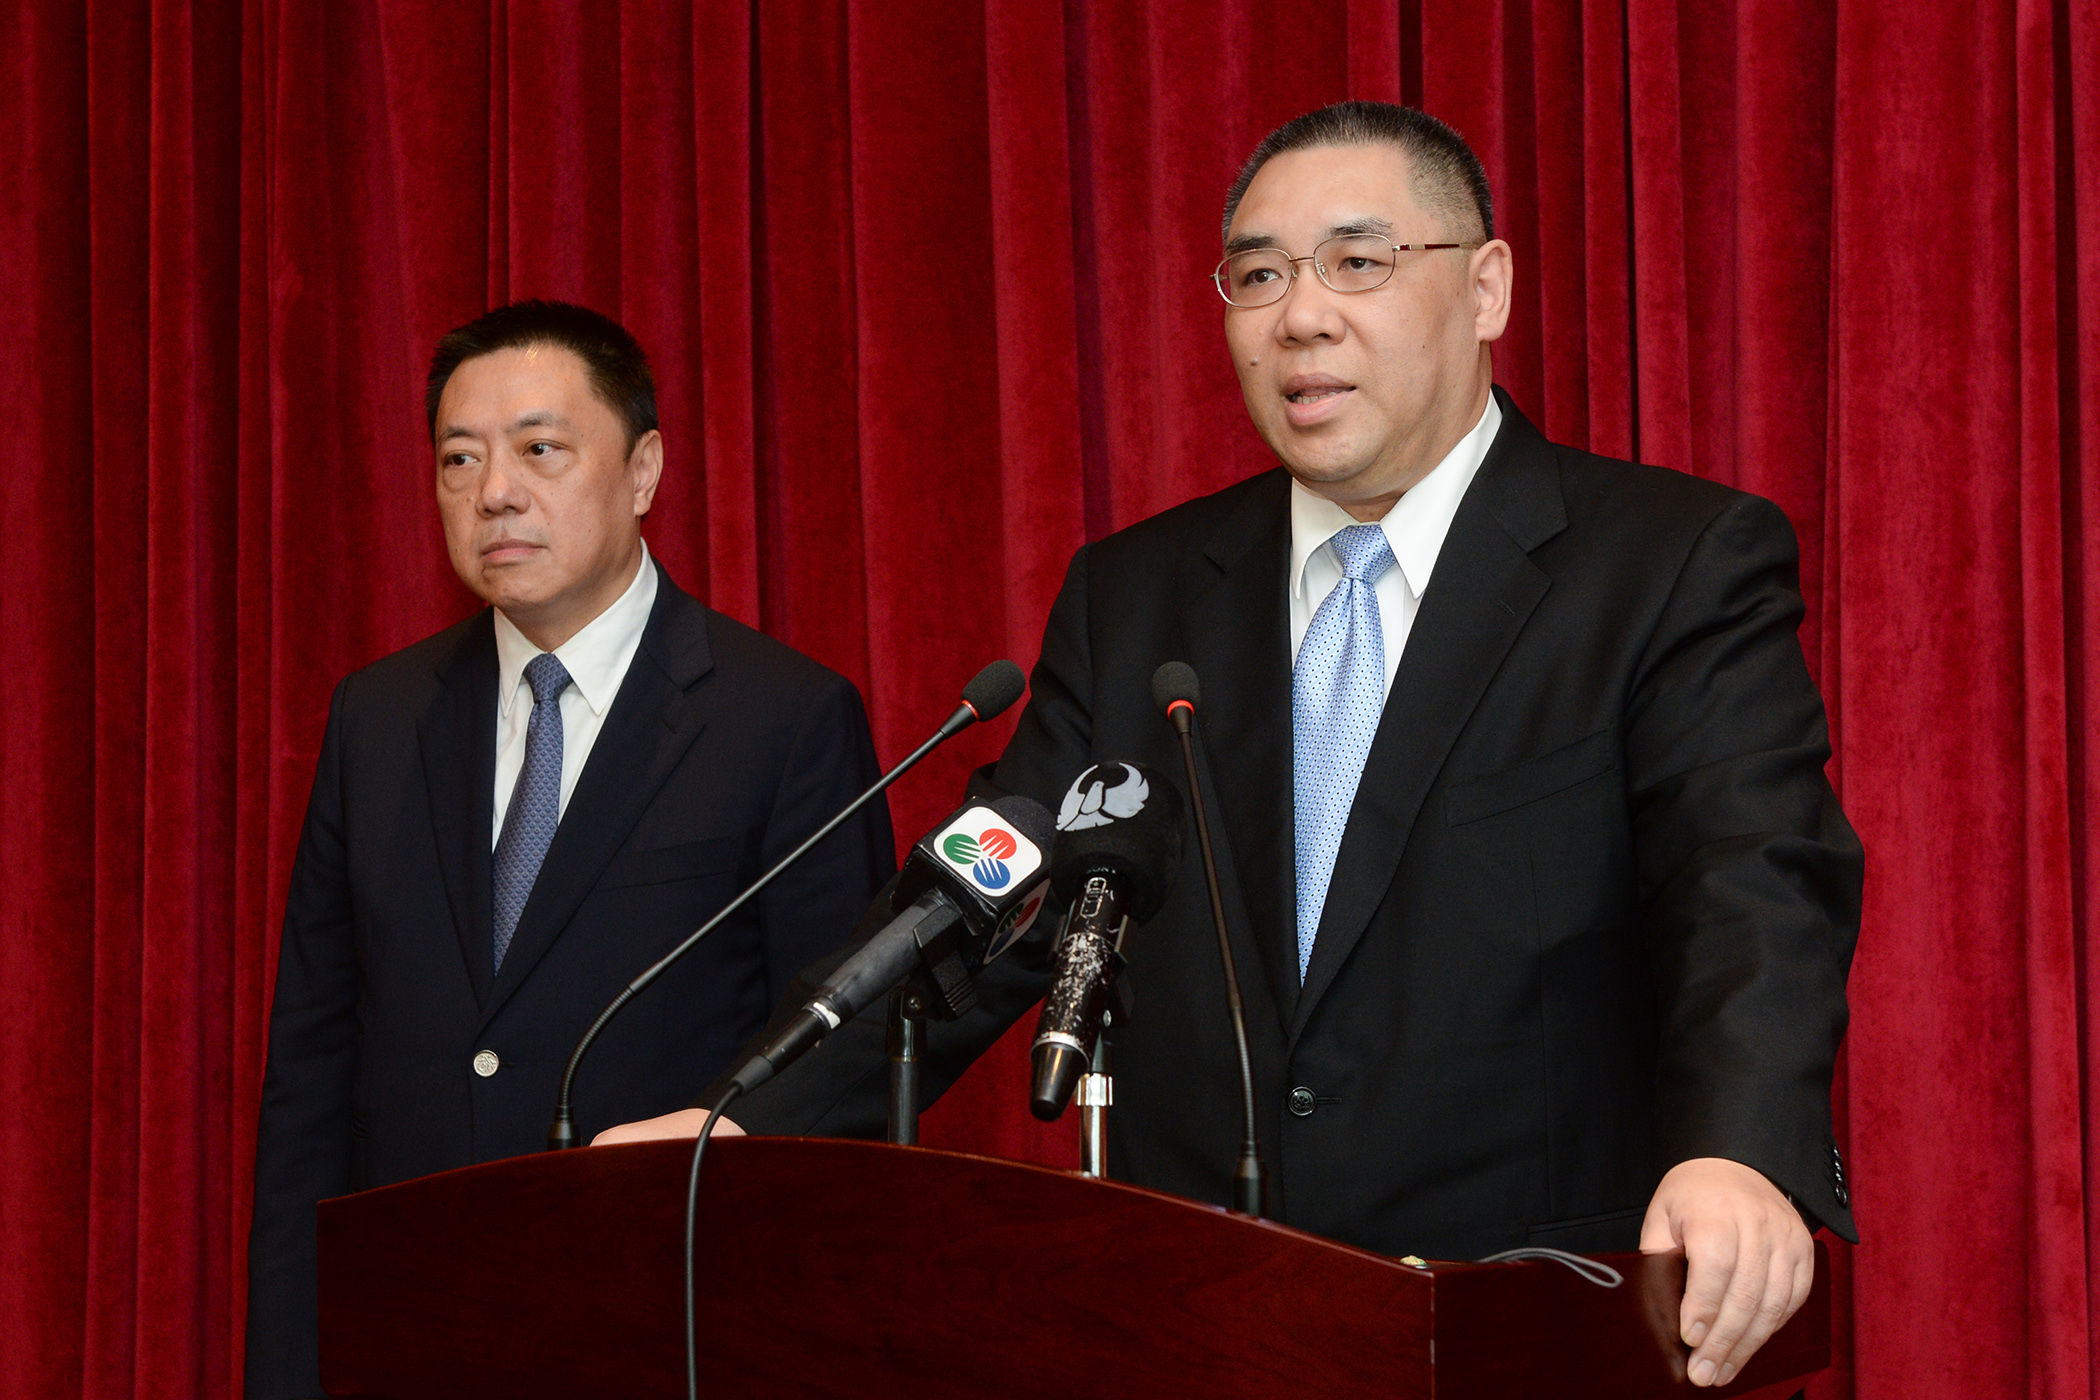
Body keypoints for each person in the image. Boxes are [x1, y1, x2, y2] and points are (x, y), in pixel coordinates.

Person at [602, 103, 1861, 1389]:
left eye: (1357, 262)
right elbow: (992, 893)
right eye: (1258, 276)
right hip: (1201, 1326)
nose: (1299, 316)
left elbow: (1751, 877)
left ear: (1486, 288)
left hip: (1527, 1319)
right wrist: (745, 1119)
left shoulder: (1665, 563)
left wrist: (1742, 1147)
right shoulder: (1139, 595)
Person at [244, 300, 895, 1398]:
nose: (494, 491)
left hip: (668, 1329)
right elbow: (311, 1077)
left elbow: (843, 1067)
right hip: (412, 1334)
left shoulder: (781, 719)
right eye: (460, 458)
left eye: (539, 449)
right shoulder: (378, 719)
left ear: (643, 470)